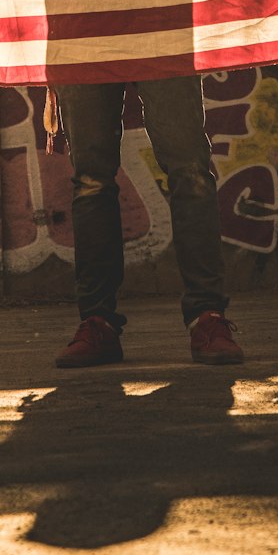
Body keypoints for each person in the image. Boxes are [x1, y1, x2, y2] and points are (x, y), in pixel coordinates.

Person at [52, 75, 244, 368]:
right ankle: (97, 321)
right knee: (92, 180)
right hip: (85, 35)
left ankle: (208, 316)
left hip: (159, 31)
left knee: (190, 171)